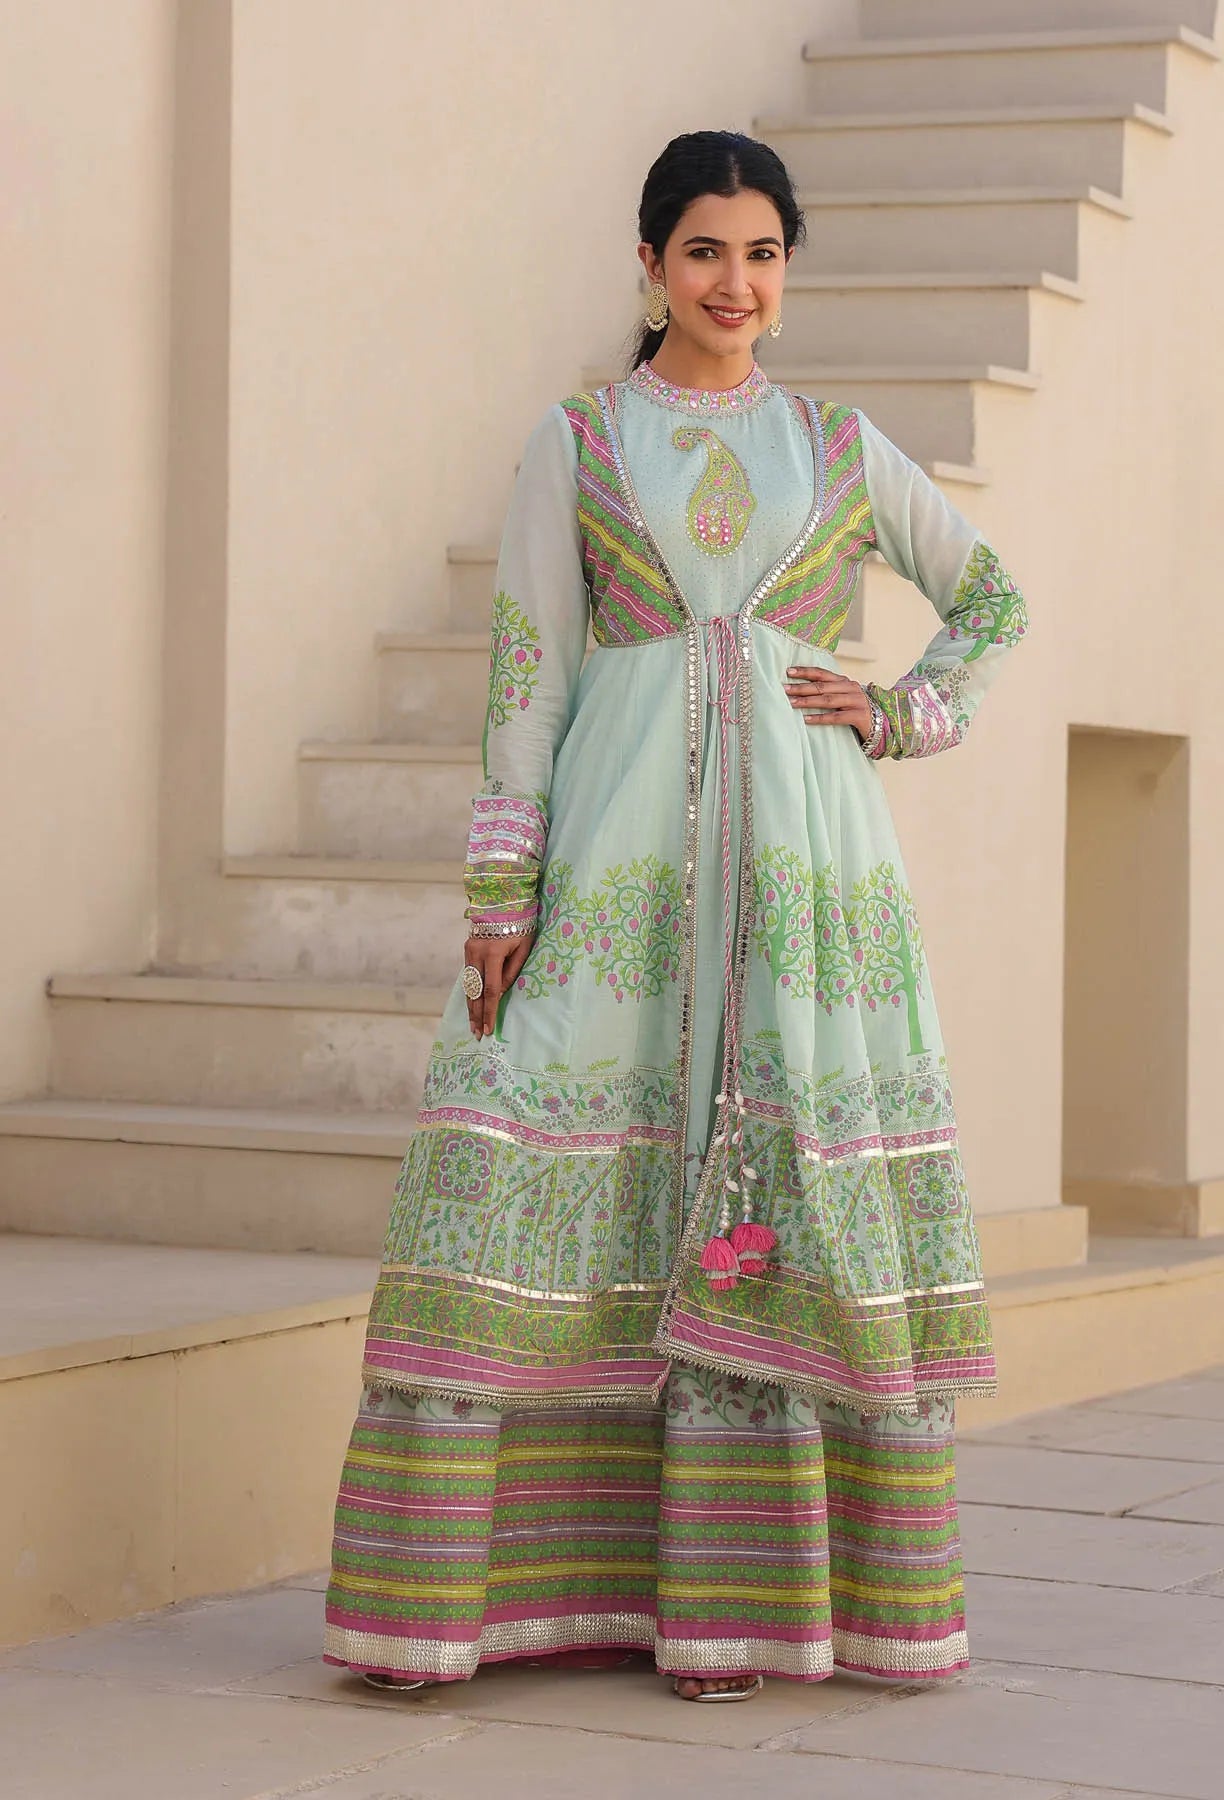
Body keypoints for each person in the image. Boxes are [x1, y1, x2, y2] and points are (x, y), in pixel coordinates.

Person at [323, 129, 1027, 1703]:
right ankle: (498, 1593)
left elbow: (992, 599)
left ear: (789, 270)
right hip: (621, 858)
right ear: (649, 264)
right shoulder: (575, 442)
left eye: (765, 254)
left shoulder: (839, 448)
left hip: (806, 864)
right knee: (539, 1138)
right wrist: (503, 883)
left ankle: (739, 1609)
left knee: (772, 1156)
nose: (738, 283)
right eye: (706, 251)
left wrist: (902, 711)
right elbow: (529, 673)